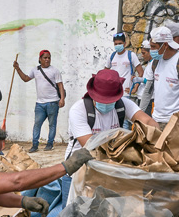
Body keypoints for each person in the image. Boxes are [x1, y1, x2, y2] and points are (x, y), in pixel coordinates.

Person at [62, 68, 158, 204]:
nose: (106, 104)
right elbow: (91, 147)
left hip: (109, 172)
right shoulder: (79, 110)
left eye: (109, 100)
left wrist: (156, 138)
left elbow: (148, 122)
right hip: (79, 173)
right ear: (93, 94)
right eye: (102, 100)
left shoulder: (122, 105)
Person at [140, 26, 179, 141]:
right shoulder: (155, 63)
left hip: (175, 123)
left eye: (154, 47)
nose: (152, 51)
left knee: (174, 158)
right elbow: (147, 92)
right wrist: (139, 116)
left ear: (165, 45)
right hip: (155, 121)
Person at [13, 50, 66, 152]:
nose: (47, 60)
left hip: (53, 102)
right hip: (40, 103)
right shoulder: (35, 70)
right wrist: (17, 69)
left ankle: (50, 144)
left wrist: (62, 99)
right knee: (37, 124)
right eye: (45, 58)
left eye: (49, 58)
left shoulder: (55, 71)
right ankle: (35, 145)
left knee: (52, 124)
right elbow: (25, 79)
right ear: (40, 59)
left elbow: (60, 85)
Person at [105, 32, 143, 100]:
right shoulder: (111, 56)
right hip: (113, 93)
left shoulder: (131, 55)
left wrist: (135, 88)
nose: (117, 45)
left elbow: (141, 73)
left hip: (126, 94)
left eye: (120, 43)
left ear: (125, 43)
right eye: (115, 44)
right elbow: (104, 73)